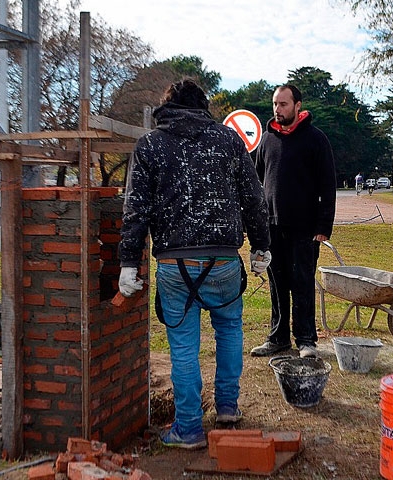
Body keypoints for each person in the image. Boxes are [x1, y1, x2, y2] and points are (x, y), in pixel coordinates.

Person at [118, 79, 271, 449]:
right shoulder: (229, 141)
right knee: (230, 332)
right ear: (204, 106)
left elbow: (136, 209)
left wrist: (127, 262)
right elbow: (253, 199)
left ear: (166, 107)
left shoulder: (150, 145)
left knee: (184, 348)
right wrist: (261, 248)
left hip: (175, 264)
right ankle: (227, 409)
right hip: (223, 260)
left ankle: (188, 428)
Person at [250, 85, 336, 359]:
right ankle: (278, 338)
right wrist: (256, 225)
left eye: (284, 104)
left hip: (305, 228)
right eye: (276, 104)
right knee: (277, 285)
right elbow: (257, 183)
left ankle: (306, 341)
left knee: (302, 284)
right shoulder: (266, 140)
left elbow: (328, 185)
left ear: (298, 105)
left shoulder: (315, 139)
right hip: (272, 228)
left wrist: (323, 226)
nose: (278, 109)